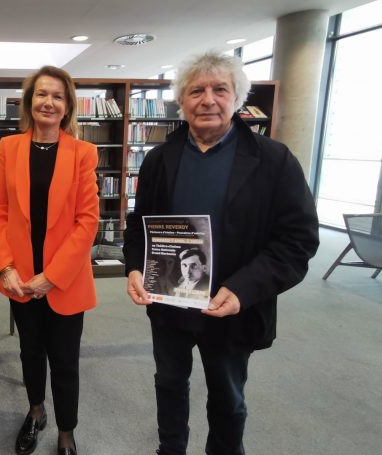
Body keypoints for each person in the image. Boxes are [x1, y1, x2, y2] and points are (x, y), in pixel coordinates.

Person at [123, 51, 319, 455]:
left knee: (228, 400)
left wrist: (244, 289)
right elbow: (138, 225)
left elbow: (297, 240)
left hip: (232, 308)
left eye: (219, 90)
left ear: (237, 98)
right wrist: (134, 267)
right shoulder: (159, 160)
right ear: (182, 100)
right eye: (196, 90)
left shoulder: (273, 161)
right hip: (170, 304)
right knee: (170, 386)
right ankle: (170, 449)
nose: (207, 100)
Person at [0, 65, 99, 455]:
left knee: (66, 361)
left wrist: (51, 276)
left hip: (64, 281)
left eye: (57, 95)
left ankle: (66, 431)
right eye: (41, 94)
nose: (48, 102)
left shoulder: (83, 153)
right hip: (19, 279)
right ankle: (36, 412)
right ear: (29, 101)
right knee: (30, 352)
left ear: (67, 105)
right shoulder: (9, 148)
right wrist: (5, 266)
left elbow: (87, 222)